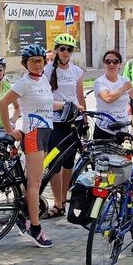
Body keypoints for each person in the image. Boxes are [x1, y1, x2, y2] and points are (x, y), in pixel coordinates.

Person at [0, 44, 58, 247]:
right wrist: (10, 129)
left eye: (40, 60)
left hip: (44, 132)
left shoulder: (42, 79)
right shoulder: (23, 83)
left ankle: (24, 216)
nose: (36, 64)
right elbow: (2, 103)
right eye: (32, 61)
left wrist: (70, 105)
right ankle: (35, 227)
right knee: (35, 182)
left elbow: (47, 103)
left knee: (33, 181)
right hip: (32, 133)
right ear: (26, 64)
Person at [43, 33, 86, 219]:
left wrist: (84, 116)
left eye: (69, 49)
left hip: (73, 122)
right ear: (56, 50)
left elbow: (80, 96)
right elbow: (44, 98)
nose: (66, 52)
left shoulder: (76, 71)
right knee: (54, 164)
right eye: (62, 49)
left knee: (69, 163)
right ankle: (57, 202)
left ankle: (63, 200)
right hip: (55, 122)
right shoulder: (46, 71)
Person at [92, 49, 133, 141]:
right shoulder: (99, 82)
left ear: (119, 64)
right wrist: (123, 88)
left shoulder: (124, 80)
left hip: (123, 129)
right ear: (104, 64)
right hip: (104, 129)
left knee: (125, 155)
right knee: (102, 155)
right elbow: (108, 98)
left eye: (115, 62)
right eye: (108, 61)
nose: (111, 64)